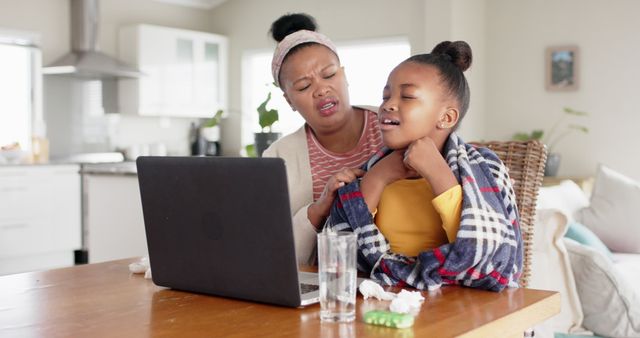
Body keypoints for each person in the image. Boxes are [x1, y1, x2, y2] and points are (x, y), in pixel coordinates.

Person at [326, 41, 522, 292]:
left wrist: (437, 173)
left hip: (461, 306)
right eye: (386, 96)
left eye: (407, 96)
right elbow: (339, 253)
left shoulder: (484, 170)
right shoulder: (373, 170)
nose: (388, 104)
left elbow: (489, 260)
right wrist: (378, 177)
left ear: (447, 117)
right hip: (385, 302)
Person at [262, 13, 383, 265]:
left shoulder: (391, 125)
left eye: (329, 75)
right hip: (327, 286)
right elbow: (274, 253)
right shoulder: (277, 158)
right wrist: (317, 210)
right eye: (304, 86)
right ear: (289, 101)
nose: (321, 89)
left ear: (344, 75)